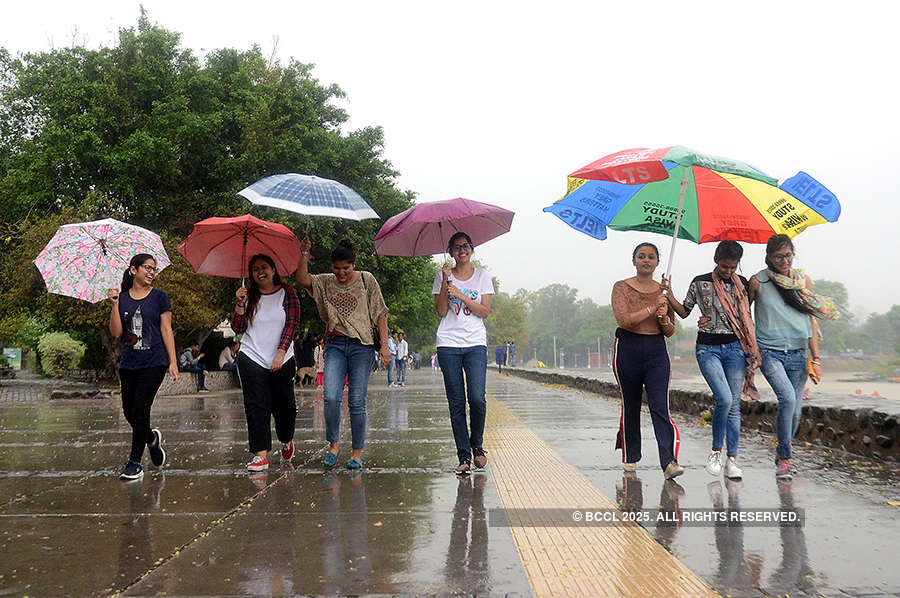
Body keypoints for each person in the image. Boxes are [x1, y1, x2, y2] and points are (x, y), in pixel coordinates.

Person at [662, 240, 760, 480]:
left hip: (736, 349)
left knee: (734, 405)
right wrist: (669, 294)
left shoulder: (743, 285)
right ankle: (716, 451)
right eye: (724, 266)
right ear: (717, 260)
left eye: (733, 267)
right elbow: (684, 311)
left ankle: (732, 460)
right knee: (724, 398)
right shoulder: (700, 282)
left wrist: (756, 285)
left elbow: (744, 314)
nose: (728, 271)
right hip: (708, 349)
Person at [296, 238, 391, 470]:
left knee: (357, 402)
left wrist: (385, 347)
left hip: (362, 347)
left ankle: (357, 453)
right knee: (330, 397)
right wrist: (304, 253)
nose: (341, 273)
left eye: (346, 268)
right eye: (336, 268)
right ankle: (334, 445)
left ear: (353, 264)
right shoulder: (326, 282)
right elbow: (302, 279)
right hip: (336, 344)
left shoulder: (367, 280)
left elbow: (380, 314)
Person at [748, 234, 837, 480]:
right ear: (769, 257)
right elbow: (745, 315)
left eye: (788, 255)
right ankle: (785, 459)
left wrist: (816, 358)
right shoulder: (758, 281)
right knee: (786, 398)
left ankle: (781, 452)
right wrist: (753, 347)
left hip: (798, 354)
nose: (784, 260)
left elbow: (810, 318)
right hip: (770, 352)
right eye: (778, 256)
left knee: (796, 411)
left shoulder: (802, 280)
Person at [611, 242, 683, 480]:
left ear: (657, 263)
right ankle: (631, 455)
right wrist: (653, 307)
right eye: (641, 256)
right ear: (634, 260)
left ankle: (669, 461)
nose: (646, 260)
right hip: (628, 348)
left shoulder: (662, 292)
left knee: (660, 406)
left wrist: (663, 317)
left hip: (656, 351)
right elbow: (624, 320)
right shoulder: (621, 287)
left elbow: (670, 330)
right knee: (630, 404)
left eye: (651, 257)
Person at [107, 254, 178, 481]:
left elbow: (167, 329)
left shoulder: (159, 297)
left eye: (153, 269)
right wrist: (115, 304)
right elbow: (116, 333)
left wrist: (173, 361)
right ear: (133, 270)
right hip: (129, 363)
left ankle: (135, 463)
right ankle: (152, 440)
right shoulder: (123, 298)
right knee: (129, 411)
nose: (151, 272)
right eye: (147, 268)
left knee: (140, 408)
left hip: (154, 361)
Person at [231, 254, 301, 472]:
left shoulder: (287, 292)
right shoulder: (248, 295)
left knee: (285, 407)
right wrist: (239, 304)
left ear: (273, 269)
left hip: (283, 357)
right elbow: (238, 328)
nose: (260, 272)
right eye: (255, 269)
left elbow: (292, 323)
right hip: (252, 356)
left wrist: (281, 353)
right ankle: (260, 454)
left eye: (264, 267)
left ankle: (286, 439)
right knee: (256, 405)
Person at [433, 232, 493, 475]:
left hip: (475, 344)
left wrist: (460, 295)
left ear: (472, 249)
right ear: (450, 252)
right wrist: (447, 285)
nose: (461, 251)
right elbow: (440, 312)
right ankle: (464, 456)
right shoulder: (442, 276)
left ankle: (477, 445)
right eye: (456, 247)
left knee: (477, 398)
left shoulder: (482, 276)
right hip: (448, 343)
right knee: (456, 402)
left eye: (465, 246)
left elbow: (485, 311)